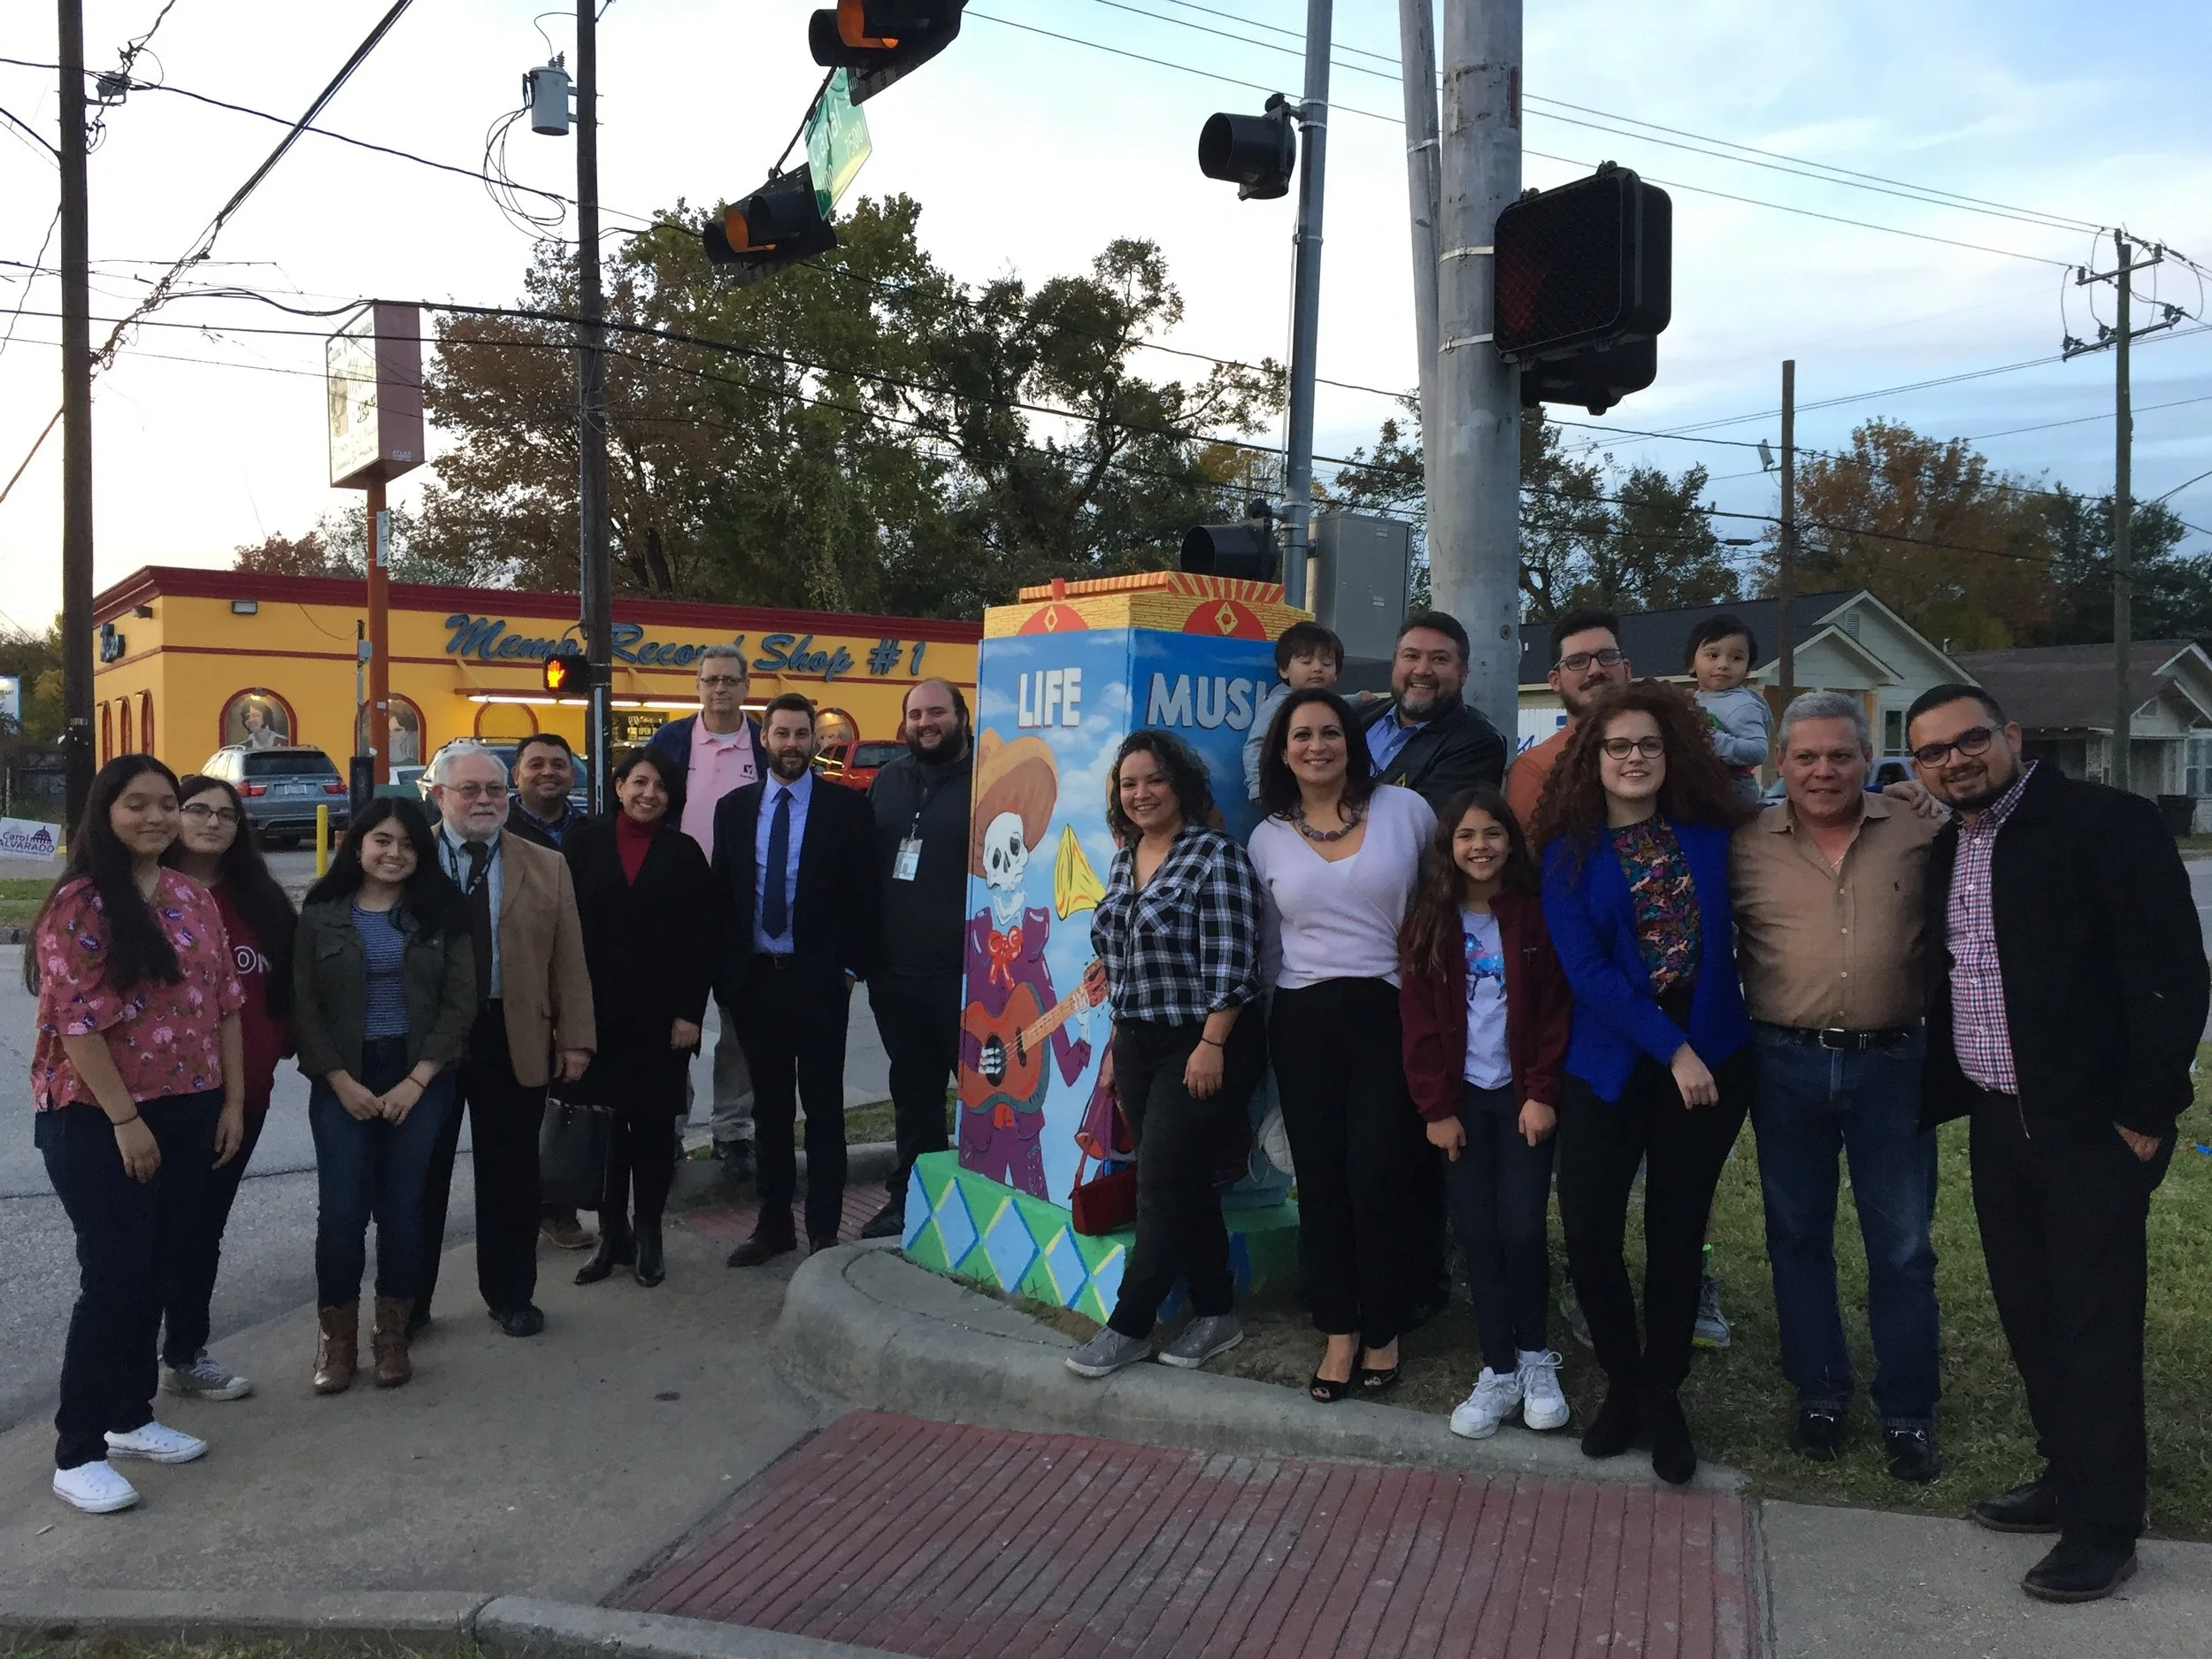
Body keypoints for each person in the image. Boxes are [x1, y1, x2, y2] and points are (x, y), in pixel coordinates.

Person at [1910, 684, 2207, 1603]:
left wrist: (2144, 1114)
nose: (1954, 760)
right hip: (2000, 1122)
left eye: (1969, 741)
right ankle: (2062, 1473)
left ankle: (2103, 1527)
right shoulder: (1944, 850)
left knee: (2093, 1329)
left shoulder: (2105, 825)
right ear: (1919, 769)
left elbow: (2170, 973)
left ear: (2010, 735)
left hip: (2093, 1129)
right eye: (1932, 753)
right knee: (2030, 1313)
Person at [1532, 680, 1755, 1486]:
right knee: (1590, 1231)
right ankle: (1624, 1383)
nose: (1633, 758)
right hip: (1613, 1062)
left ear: (1673, 754)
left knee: (1675, 1233)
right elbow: (1587, 971)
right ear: (1591, 759)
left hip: (1714, 1056)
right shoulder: (1567, 852)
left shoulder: (1713, 835)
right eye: (1617, 746)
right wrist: (1672, 1050)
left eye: (1648, 745)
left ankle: (1663, 1395)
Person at [1731, 692, 1943, 1482]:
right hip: (1782, 1060)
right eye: (1807, 756)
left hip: (1895, 1062)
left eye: (1841, 755)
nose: (1824, 771)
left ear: (1867, 757)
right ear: (1778, 761)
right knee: (1796, 1235)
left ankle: (1908, 1412)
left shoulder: (1919, 825)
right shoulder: (1745, 841)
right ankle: (1819, 1391)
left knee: (1903, 1246)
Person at [28, 756, 247, 1516]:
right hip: (97, 1116)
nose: (156, 817)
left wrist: (233, 1104)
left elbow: (225, 1003)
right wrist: (126, 1120)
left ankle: (130, 1415)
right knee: (115, 1276)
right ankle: (77, 1449)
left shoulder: (192, 895)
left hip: (191, 1106)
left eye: (167, 804)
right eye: (137, 804)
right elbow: (77, 1022)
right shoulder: (80, 902)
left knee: (159, 1266)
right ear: (105, 812)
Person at [1247, 688, 1435, 1400]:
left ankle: (1383, 1326)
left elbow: (1437, 909)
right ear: (1283, 748)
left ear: (1353, 742)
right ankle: (1338, 1331)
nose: (1317, 744)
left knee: (1378, 1176)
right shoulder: (1267, 834)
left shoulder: (1406, 812)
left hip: (1389, 1011)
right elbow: (1269, 947)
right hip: (1301, 1019)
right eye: (1302, 734)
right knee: (1319, 1181)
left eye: (1331, 732)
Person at [1065, 732, 1265, 1380]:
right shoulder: (1126, 858)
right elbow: (1117, 952)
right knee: (1181, 1179)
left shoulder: (1215, 858)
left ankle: (1130, 1322)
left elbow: (1235, 962)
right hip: (1137, 1040)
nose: (1141, 793)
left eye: (1153, 779)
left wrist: (1211, 1044)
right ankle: (1216, 1310)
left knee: (1159, 1181)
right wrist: (1117, 1043)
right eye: (1129, 783)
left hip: (1202, 1039)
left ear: (1178, 784)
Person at [1399, 785, 1574, 1440]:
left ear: (1511, 841)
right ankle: (1498, 1367)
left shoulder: (1535, 915)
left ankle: (1536, 1358)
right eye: (1466, 835)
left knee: (1523, 1227)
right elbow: (1417, 1024)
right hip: (1460, 1105)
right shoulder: (1430, 921)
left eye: (1492, 834)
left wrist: (1540, 1091)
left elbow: (1557, 1009)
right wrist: (1435, 1108)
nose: (1480, 846)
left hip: (1521, 1099)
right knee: (1477, 1231)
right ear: (1448, 846)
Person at [292, 798, 475, 1392]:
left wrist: (418, 1078)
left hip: (419, 1074)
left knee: (403, 1208)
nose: (394, 853)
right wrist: (340, 1080)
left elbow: (460, 1002)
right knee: (342, 1212)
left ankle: (392, 1334)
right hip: (343, 1074)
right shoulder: (322, 912)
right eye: (382, 841)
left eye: (407, 844)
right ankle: (336, 1339)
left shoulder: (441, 912)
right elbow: (305, 1006)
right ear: (358, 844)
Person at [416, 743, 595, 1339]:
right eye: (468, 790)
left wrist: (574, 1039)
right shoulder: (404, 857)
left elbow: (568, 959)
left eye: (494, 789)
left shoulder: (545, 862)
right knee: (419, 1176)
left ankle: (511, 1293)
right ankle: (407, 1304)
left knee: (511, 1175)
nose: (484, 800)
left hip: (510, 1032)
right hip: (425, 1043)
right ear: (439, 795)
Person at [713, 694, 879, 1265]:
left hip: (820, 983)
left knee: (825, 1108)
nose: (791, 743)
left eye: (801, 734)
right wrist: (729, 979)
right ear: (764, 738)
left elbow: (866, 898)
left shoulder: (846, 809)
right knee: (771, 1111)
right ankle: (774, 1223)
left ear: (815, 740)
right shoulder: (734, 810)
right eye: (780, 733)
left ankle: (824, 1229)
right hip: (758, 983)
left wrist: (851, 970)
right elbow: (723, 898)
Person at [154, 774, 296, 1402]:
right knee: (142, 1234)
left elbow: (288, 988)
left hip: (243, 1096)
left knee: (202, 1228)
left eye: (226, 814)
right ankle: (124, 1366)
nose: (212, 823)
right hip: (157, 1098)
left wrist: (277, 1046)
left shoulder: (259, 902)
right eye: (198, 810)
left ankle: (186, 1352)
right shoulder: (144, 895)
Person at [563, 748, 715, 1286]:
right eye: (640, 782)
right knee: (604, 1132)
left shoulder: (684, 853)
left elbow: (703, 942)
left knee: (651, 1130)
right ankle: (611, 1235)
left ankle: (648, 1235)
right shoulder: (583, 844)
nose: (649, 794)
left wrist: (689, 1014)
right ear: (621, 785)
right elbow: (564, 933)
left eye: (661, 787)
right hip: (595, 1017)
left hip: (661, 1019)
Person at [861, 680, 974, 1240]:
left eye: (937, 712)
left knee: (982, 1095)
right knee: (913, 1092)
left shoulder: (986, 781)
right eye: (915, 714)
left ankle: (981, 1202)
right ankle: (911, 1197)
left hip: (968, 975)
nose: (925, 722)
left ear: (961, 716)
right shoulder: (888, 780)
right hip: (894, 973)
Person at [648, 646, 764, 1187]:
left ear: (746, 686)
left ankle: (733, 1131)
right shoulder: (671, 741)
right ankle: (668, 1127)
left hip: (744, 901)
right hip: (677, 900)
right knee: (675, 1021)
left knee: (741, 1024)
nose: (719, 689)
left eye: (729, 680)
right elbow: (643, 805)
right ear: (696, 686)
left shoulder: (764, 743)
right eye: (709, 680)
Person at [502, 731, 594, 1253]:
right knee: (517, 1112)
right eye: (535, 764)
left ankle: (557, 1208)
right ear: (517, 775)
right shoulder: (498, 827)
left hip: (575, 976)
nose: (548, 772)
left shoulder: (589, 830)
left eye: (558, 764)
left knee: (568, 1103)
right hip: (517, 983)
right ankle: (516, 1212)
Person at [1360, 611, 1509, 811]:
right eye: (1411, 656)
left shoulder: (1478, 744)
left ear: (1463, 673)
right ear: (1394, 664)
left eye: (1439, 659)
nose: (1422, 670)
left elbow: (1420, 825)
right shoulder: (1356, 716)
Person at [1505, 606, 1632, 830]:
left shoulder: (1669, 748)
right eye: (1577, 661)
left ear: (1627, 669)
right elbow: (1530, 859)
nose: (1595, 670)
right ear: (1555, 680)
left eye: (1608, 657)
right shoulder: (1536, 768)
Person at [1241, 622, 1345, 803]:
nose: (1318, 668)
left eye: (1327, 662)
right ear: (1284, 669)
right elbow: (1256, 744)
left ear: (1336, 673)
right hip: (1284, 791)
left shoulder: (1333, 704)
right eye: (1306, 661)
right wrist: (1257, 785)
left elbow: (1344, 703)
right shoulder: (1278, 704)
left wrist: (1360, 698)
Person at [1686, 614, 1773, 805]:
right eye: (1713, 655)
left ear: (1748, 668)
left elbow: (1758, 751)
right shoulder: (1696, 698)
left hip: (1733, 789)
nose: (1723, 665)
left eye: (1736, 658)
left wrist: (1711, 740)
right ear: (1692, 663)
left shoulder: (1742, 705)